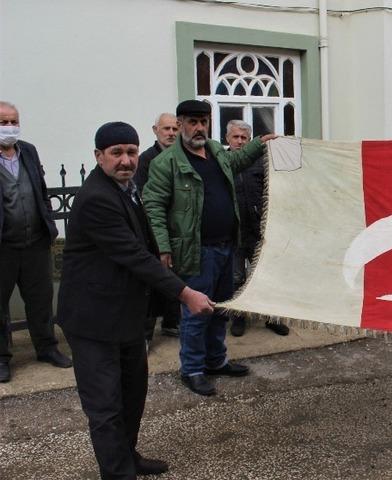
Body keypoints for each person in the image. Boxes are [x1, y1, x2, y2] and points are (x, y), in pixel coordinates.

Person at [57, 121, 214, 479]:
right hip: (93, 321)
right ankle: (118, 473)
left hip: (125, 315)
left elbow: (145, 243)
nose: (126, 160)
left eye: (131, 152)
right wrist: (185, 293)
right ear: (98, 156)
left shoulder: (128, 188)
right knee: (106, 407)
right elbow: (134, 255)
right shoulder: (96, 198)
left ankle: (128, 457)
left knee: (132, 396)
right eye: (116, 153)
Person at [143, 100, 276, 396]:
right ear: (180, 124)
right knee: (196, 313)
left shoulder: (215, 150)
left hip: (227, 246)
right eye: (192, 122)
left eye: (203, 121)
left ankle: (216, 361)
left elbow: (235, 162)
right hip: (196, 251)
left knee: (219, 310)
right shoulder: (166, 163)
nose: (199, 127)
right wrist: (163, 247)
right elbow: (153, 206)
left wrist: (259, 144)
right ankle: (192, 369)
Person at [0, 100, 71, 383]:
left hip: (35, 242)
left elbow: (41, 190)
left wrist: (48, 224)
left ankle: (47, 348)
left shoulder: (28, 150)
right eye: (3, 122)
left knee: (40, 299)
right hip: (4, 245)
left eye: (13, 121)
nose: (9, 127)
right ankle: (2, 358)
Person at [225, 119, 289, 337]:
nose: (240, 141)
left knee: (265, 275)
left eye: (244, 137)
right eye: (236, 137)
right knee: (236, 277)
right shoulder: (222, 162)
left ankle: (272, 317)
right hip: (234, 231)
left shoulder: (261, 161)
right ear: (227, 138)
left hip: (259, 230)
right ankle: (239, 317)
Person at [136, 113, 182, 343]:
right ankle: (145, 335)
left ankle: (172, 323)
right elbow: (145, 198)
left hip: (179, 231)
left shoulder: (182, 156)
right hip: (153, 231)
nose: (171, 133)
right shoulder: (146, 160)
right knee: (153, 281)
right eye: (166, 129)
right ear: (155, 130)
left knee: (176, 278)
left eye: (175, 128)